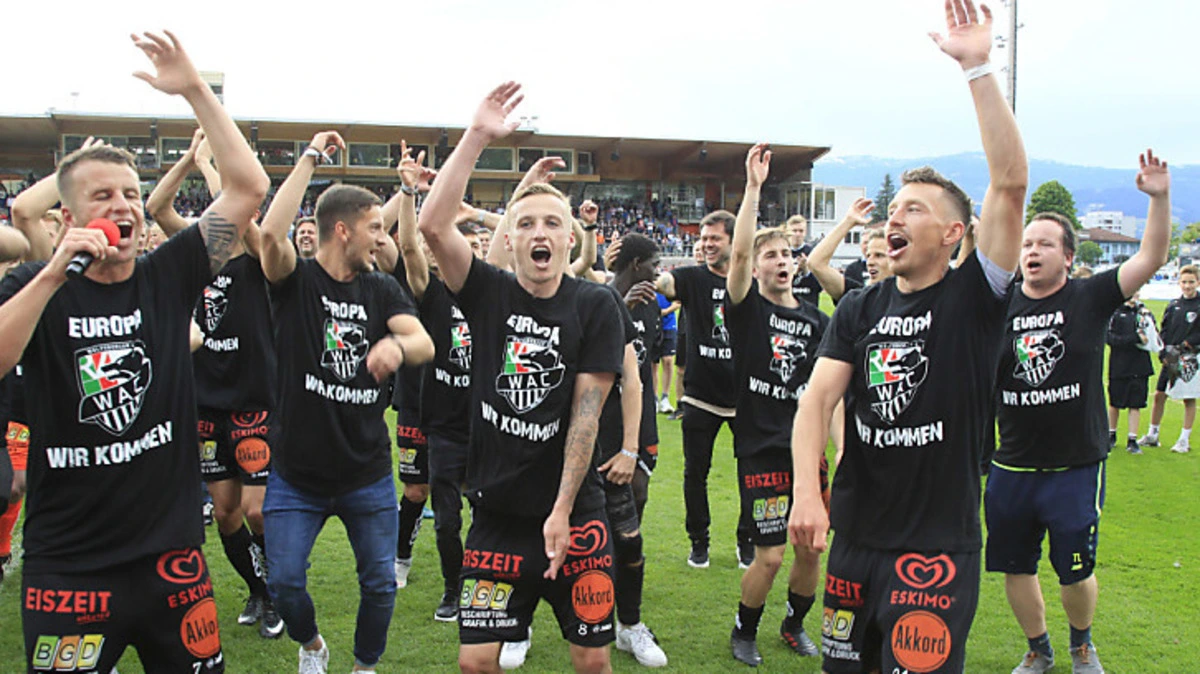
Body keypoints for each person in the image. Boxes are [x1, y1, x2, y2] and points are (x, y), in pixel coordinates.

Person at [0, 29, 269, 673]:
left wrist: (196, 89)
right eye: (103, 196)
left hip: (172, 558)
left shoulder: (167, 274)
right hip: (69, 566)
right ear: (68, 219)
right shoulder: (35, 286)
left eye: (129, 193)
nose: (122, 205)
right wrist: (52, 273)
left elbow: (247, 187)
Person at [789, 2, 1028, 672]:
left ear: (953, 234)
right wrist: (808, 490)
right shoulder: (859, 308)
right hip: (855, 540)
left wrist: (977, 67)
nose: (895, 217)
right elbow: (816, 402)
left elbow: (1010, 186)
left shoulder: (975, 298)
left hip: (936, 550)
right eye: (893, 208)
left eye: (913, 209)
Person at [418, 82, 624, 674]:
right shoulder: (489, 292)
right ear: (509, 239)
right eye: (526, 223)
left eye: (552, 223)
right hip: (498, 516)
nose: (540, 232)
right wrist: (477, 136)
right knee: (474, 663)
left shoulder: (594, 306)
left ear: (569, 238)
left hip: (575, 513)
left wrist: (561, 509)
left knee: (592, 662)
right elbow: (434, 226)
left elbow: (585, 418)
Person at [258, 129, 434, 674]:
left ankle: (365, 666)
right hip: (297, 474)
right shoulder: (295, 282)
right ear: (342, 230)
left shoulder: (381, 289)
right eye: (374, 228)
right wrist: (310, 158)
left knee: (379, 582)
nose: (381, 239)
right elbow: (270, 234)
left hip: (366, 473)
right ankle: (312, 645)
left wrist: (396, 346)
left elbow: (423, 342)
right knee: (284, 581)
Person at [989, 153, 1170, 674]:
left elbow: (1151, 256)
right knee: (1015, 566)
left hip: (1075, 466)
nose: (1032, 251)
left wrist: (1159, 198)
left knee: (1074, 571)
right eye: (1027, 243)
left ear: (1068, 256)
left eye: (1045, 244)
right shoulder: (999, 305)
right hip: (1012, 466)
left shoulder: (1089, 297)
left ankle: (1081, 646)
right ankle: (1038, 648)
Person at [145, 126, 283, 639]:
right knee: (225, 514)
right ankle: (258, 589)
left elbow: (243, 206)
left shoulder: (254, 260)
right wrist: (188, 159)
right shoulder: (192, 263)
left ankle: (277, 591)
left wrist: (211, 165)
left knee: (256, 511)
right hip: (206, 403)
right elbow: (158, 207)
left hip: (254, 400)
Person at [725, 145, 829, 667]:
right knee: (769, 556)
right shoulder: (746, 310)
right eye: (771, 256)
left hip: (806, 454)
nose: (781, 262)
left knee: (811, 549)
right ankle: (744, 630)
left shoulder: (817, 321)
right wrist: (753, 189)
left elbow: (829, 392)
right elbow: (738, 256)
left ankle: (794, 624)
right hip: (762, 450)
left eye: (786, 255)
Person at [388, 141, 475, 620]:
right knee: (442, 516)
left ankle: (487, 583)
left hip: (485, 424)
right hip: (439, 425)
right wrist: (408, 193)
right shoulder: (432, 295)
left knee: (489, 511)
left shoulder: (491, 293)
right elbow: (407, 247)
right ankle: (451, 587)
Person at [656, 208, 755, 570]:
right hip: (700, 396)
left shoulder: (750, 280)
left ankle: (747, 542)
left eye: (715, 238)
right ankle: (699, 542)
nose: (707, 244)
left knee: (751, 474)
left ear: (733, 240)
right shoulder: (692, 278)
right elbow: (665, 283)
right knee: (695, 473)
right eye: (703, 238)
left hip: (745, 398)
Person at [598, 233, 668, 668]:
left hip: (640, 423)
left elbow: (646, 366)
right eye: (654, 263)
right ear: (637, 263)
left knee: (634, 507)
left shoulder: (653, 305)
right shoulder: (601, 297)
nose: (658, 270)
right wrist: (619, 302)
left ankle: (627, 616)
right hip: (597, 429)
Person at [1139, 264, 1200, 452]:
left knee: (1188, 398)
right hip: (1171, 356)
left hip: (1189, 357)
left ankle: (1184, 440)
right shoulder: (1174, 305)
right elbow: (1164, 330)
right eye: (1184, 282)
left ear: (1198, 282)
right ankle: (1153, 434)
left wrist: (1188, 344)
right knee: (1159, 395)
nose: (1187, 286)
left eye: (1191, 282)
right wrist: (1163, 351)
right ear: (1179, 283)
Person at [808, 198, 890, 303]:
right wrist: (848, 222)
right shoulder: (861, 297)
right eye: (869, 255)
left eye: (879, 255)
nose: (870, 262)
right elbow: (815, 263)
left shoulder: (908, 302)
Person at [1107, 292, 1158, 455]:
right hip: (1119, 366)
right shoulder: (1114, 313)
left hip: (1140, 366)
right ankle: (1111, 435)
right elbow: (1110, 339)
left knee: (1136, 404)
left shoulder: (1144, 313)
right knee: (1115, 403)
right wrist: (1134, 338)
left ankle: (1132, 439)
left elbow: (1153, 335)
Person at [785, 214, 822, 306]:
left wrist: (806, 271)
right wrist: (794, 273)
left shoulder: (814, 253)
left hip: (808, 304)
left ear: (805, 233)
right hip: (786, 304)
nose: (797, 234)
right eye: (794, 231)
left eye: (801, 231)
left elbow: (820, 286)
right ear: (787, 232)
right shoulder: (782, 253)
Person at [653, 291, 679, 414]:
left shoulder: (669, 284)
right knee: (653, 364)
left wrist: (664, 312)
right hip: (652, 324)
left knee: (668, 360)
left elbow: (677, 303)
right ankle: (654, 398)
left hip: (669, 325)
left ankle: (665, 397)